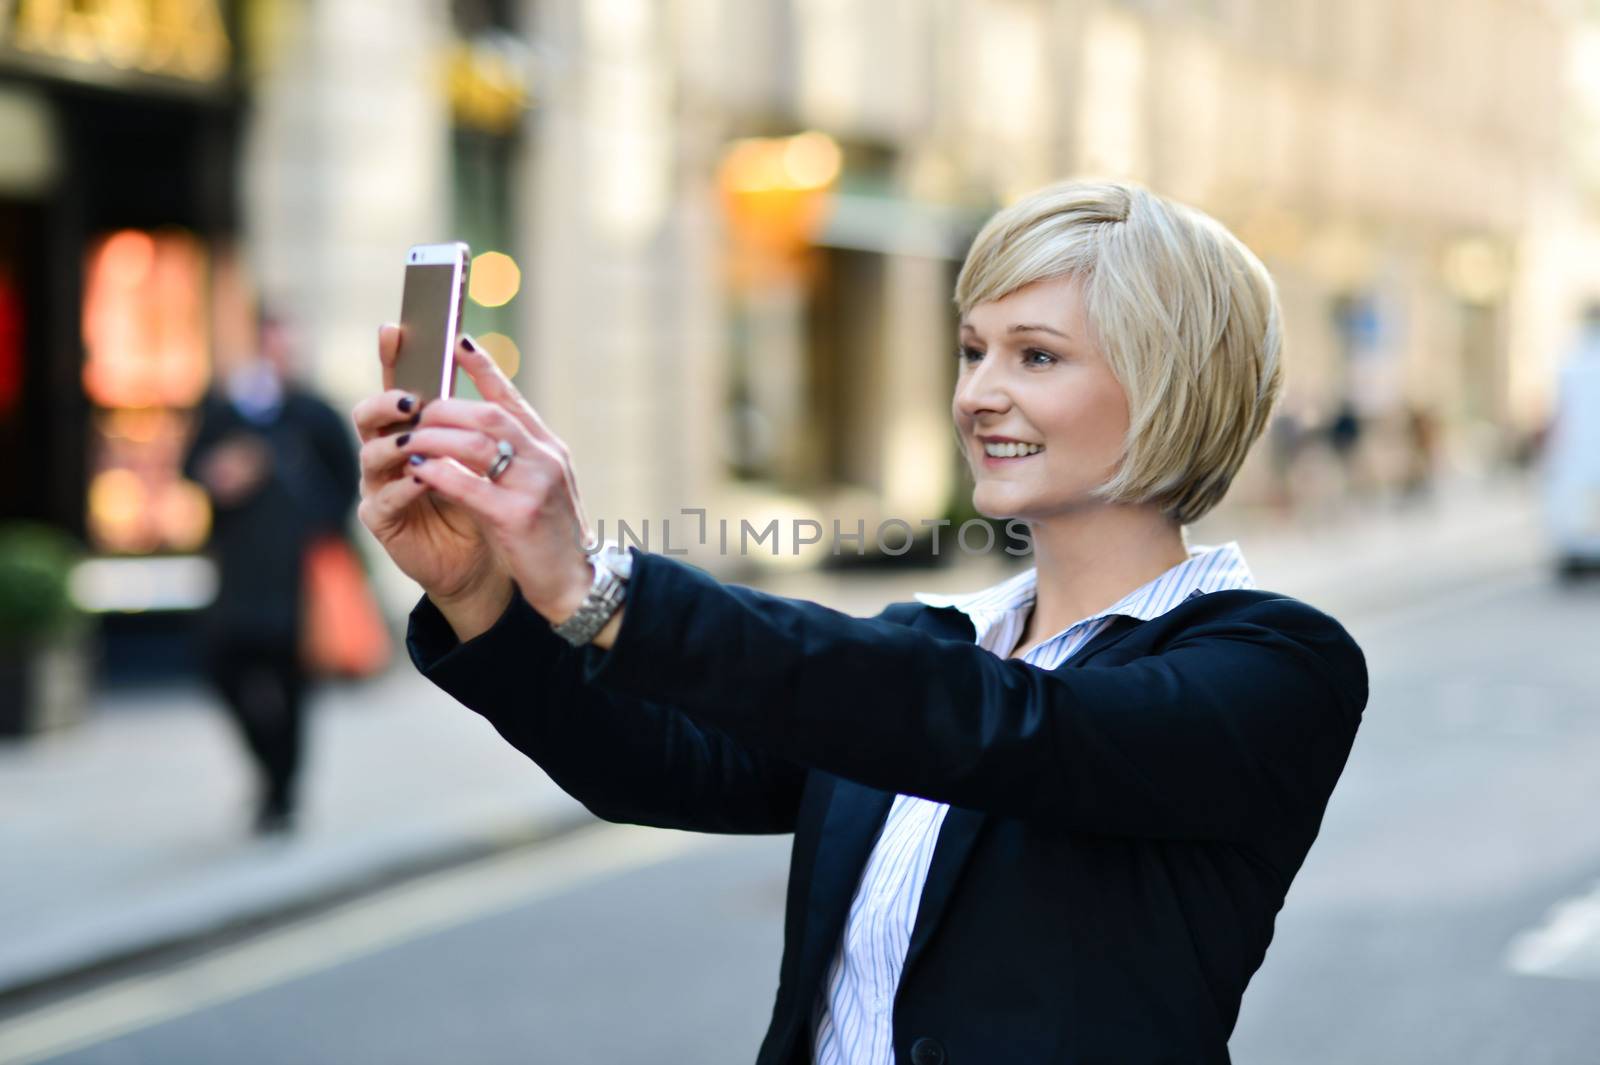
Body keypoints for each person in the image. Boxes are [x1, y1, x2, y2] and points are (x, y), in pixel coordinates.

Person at [354, 180, 1368, 1063]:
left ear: (1167, 387)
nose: (978, 393)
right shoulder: (928, 642)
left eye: (1037, 357)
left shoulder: (1276, 668)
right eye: (973, 349)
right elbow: (659, 763)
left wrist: (596, 581)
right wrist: (480, 591)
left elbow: (1010, 729)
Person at [184, 309, 359, 835]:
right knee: (222, 671)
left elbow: (347, 484)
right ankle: (271, 775)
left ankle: (283, 793)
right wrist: (222, 474)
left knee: (292, 688)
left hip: (296, 579)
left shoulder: (313, 412)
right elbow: (190, 468)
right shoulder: (224, 411)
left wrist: (318, 531)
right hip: (238, 577)